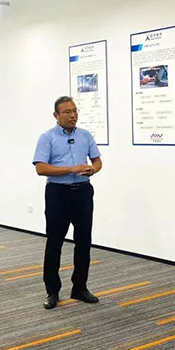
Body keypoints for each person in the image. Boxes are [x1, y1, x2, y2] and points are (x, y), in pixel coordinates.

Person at [33, 96, 103, 309]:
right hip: (58, 194)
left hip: (83, 192)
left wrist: (93, 169)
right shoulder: (47, 137)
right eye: (67, 112)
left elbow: (97, 161)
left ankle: (79, 288)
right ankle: (52, 291)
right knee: (54, 243)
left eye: (75, 111)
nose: (73, 115)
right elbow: (41, 168)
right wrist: (71, 169)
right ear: (56, 115)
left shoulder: (85, 135)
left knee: (84, 242)